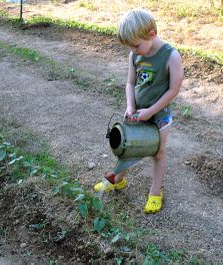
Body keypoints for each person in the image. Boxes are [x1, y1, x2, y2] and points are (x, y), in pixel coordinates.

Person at [94, 9, 183, 214]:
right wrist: (130, 106)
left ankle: (155, 192)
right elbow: (130, 82)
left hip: (159, 117)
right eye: (131, 47)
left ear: (151, 34)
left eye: (136, 45)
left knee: (158, 154)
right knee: (128, 147)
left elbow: (174, 90)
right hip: (137, 114)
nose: (134, 50)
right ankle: (118, 180)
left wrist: (151, 111)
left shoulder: (171, 57)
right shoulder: (135, 55)